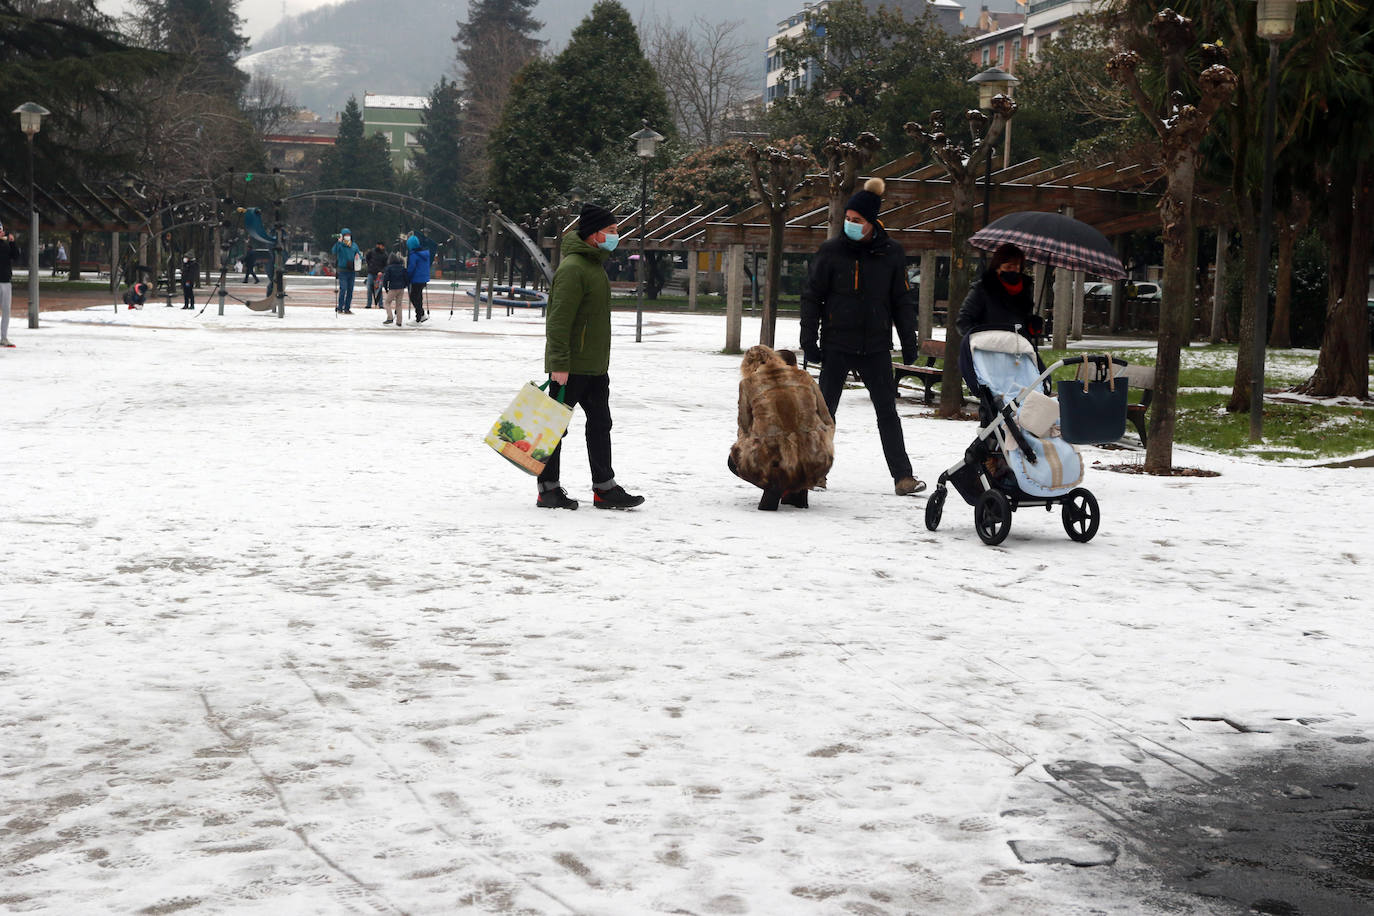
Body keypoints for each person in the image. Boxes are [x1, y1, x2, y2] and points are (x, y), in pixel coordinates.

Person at [799, 177, 925, 497]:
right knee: (824, 414)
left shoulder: (892, 254)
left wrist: (909, 342)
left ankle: (903, 477)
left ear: (872, 223)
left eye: (857, 220)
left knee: (887, 413)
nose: (850, 225)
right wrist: (809, 340)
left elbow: (901, 301)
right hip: (837, 344)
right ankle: (815, 472)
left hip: (876, 346)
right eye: (848, 219)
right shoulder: (831, 252)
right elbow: (812, 297)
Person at [536, 202, 644, 511]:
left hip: (595, 366)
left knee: (600, 424)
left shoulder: (594, 266)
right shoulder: (573, 269)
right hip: (571, 367)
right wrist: (558, 365)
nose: (615, 236)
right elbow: (558, 321)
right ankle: (548, 489)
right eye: (610, 231)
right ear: (592, 234)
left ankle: (604, 488)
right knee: (554, 428)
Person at [729, 345, 835, 511]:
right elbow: (827, 419)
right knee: (797, 445)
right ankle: (798, 488)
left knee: (734, 459)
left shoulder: (748, 384)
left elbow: (745, 427)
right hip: (816, 459)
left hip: (775, 461)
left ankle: (776, 486)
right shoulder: (803, 376)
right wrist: (822, 445)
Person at [955, 242, 1041, 395]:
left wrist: (1032, 325)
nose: (1013, 271)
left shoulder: (1024, 292)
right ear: (998, 267)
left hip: (1018, 354)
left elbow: (1022, 323)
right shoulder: (983, 289)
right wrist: (981, 338)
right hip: (990, 355)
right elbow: (964, 320)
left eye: (1017, 267)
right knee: (996, 400)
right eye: (1008, 267)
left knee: (1028, 393)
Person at [331, 229, 362, 314]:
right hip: (343, 271)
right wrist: (338, 242)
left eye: (349, 234)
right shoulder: (340, 245)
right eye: (346, 235)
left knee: (350, 290)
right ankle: (340, 307)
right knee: (343, 289)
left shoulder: (354, 245)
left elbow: (359, 254)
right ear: (343, 236)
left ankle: (347, 308)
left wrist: (358, 256)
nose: (347, 236)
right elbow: (334, 251)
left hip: (352, 270)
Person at [1, 223, 20, 348]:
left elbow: (16, 256)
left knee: (6, 310)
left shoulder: (6, 245)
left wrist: (12, 243)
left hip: (6, 281)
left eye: (1, 230)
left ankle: (4, 337)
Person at [405, 233, 430, 323]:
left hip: (415, 279)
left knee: (413, 297)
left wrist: (407, 276)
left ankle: (420, 315)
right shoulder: (425, 254)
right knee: (418, 296)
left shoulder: (413, 255)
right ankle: (420, 315)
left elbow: (411, 268)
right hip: (423, 279)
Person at [381, 252, 408, 327]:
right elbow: (406, 278)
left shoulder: (389, 268)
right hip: (401, 288)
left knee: (387, 302)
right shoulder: (402, 267)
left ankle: (390, 317)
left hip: (393, 288)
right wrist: (405, 285)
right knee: (399, 305)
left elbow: (386, 279)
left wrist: (386, 288)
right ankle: (399, 321)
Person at [364, 241, 388, 309]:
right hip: (371, 273)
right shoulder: (372, 252)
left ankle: (380, 304)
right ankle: (369, 304)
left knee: (379, 289)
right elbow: (367, 258)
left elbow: (386, 265)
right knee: (369, 289)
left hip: (379, 274)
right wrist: (369, 265)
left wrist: (382, 271)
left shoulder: (385, 254)